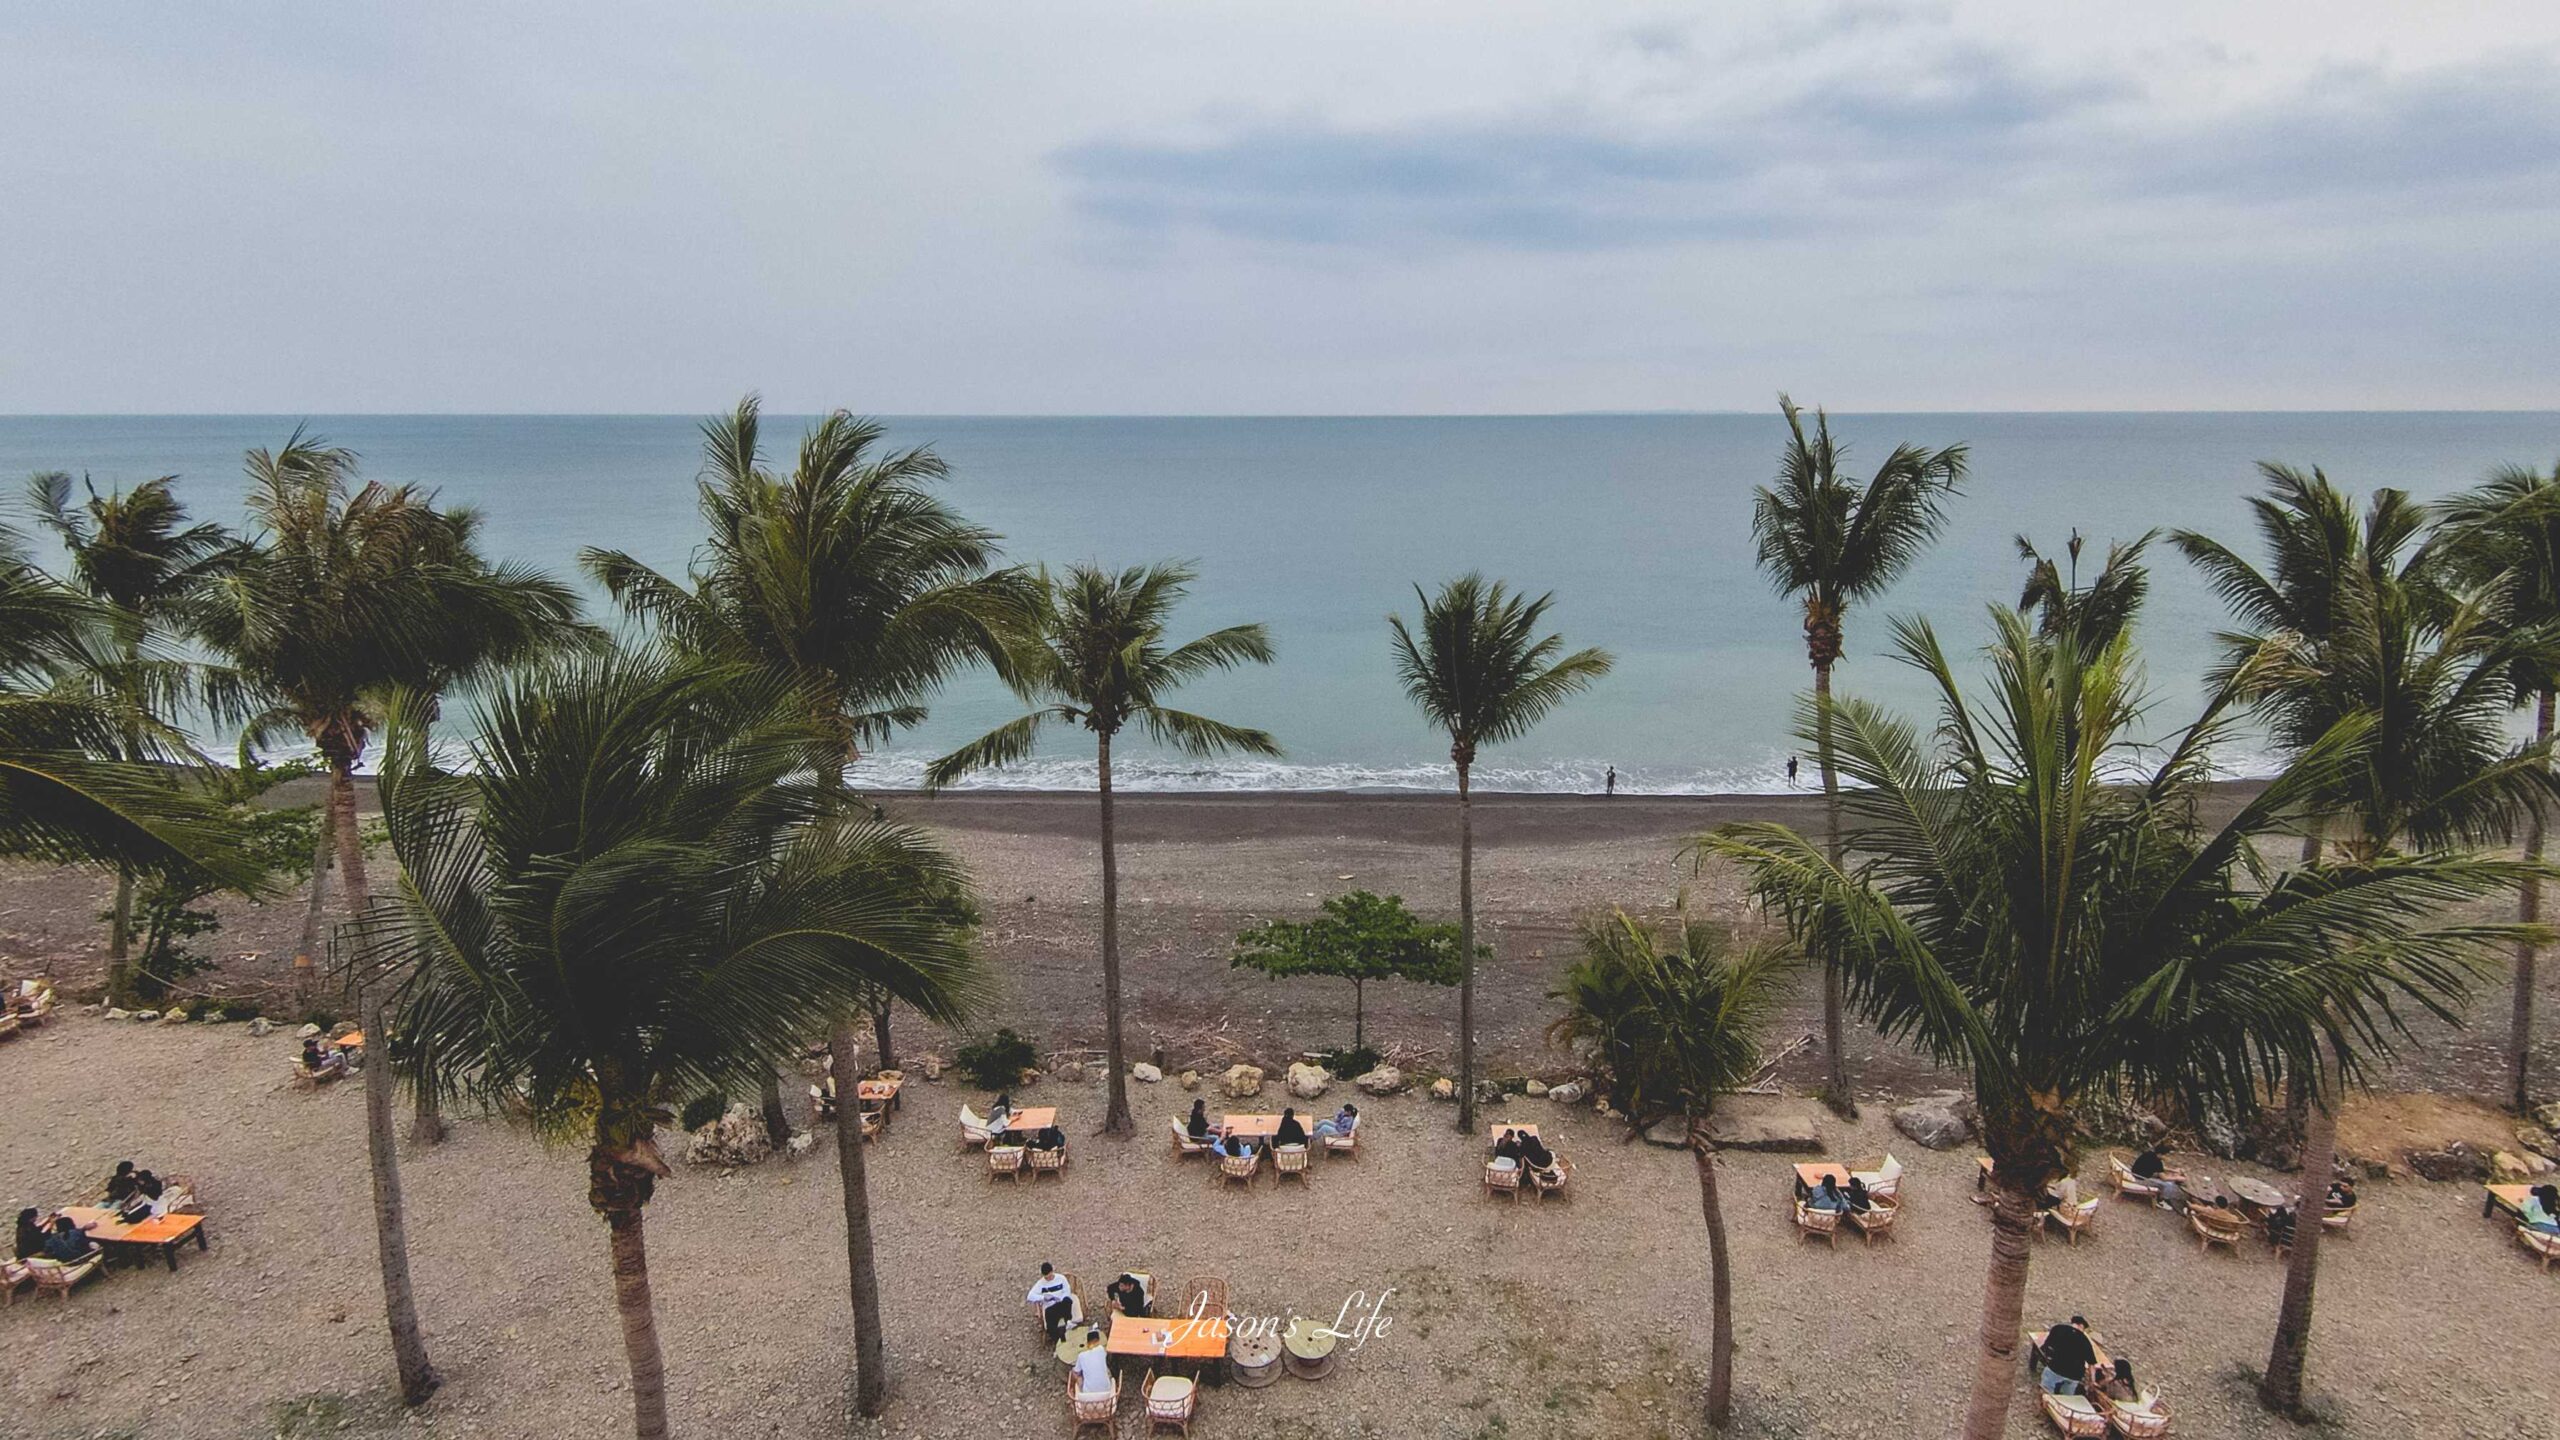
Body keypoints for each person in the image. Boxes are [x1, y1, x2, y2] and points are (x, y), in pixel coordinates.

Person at [2039, 1316, 2099, 1395]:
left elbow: (2046, 1346)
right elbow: (2092, 1363)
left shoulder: (2058, 1329)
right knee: (2067, 1398)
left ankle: (2047, 1402)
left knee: (2046, 1392)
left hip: (2056, 1368)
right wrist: (2092, 1381)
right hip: (2075, 1375)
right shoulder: (2085, 1340)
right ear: (2081, 1326)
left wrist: (2048, 1358)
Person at [1027, 1262, 1077, 1342]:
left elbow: (1067, 1290)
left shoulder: (1061, 1278)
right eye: (1046, 1278)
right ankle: (1057, 1339)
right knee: (1050, 1320)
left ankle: (1068, 1322)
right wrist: (1043, 1297)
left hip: (1061, 1303)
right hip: (1051, 1307)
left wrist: (1061, 1298)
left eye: (1050, 1276)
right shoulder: (1041, 1283)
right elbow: (1030, 1296)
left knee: (1068, 1301)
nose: (1049, 1279)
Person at [2131, 1147, 2187, 1212]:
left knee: (2166, 1177)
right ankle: (2161, 1201)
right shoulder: (2157, 1161)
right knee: (2168, 1184)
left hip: (2135, 1173)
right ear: (2160, 1154)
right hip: (2141, 1179)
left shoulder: (2149, 1154)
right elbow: (2164, 1178)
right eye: (2166, 1155)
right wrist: (2177, 1178)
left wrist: (2173, 1170)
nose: (2167, 1157)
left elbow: (2160, 1168)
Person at [1069, 1327, 1112, 1400]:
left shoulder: (1081, 1355)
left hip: (1088, 1396)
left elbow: (1076, 1372)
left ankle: (1074, 1391)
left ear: (1087, 1342)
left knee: (1074, 1373)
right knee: (1106, 1370)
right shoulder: (1101, 1349)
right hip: (1106, 1393)